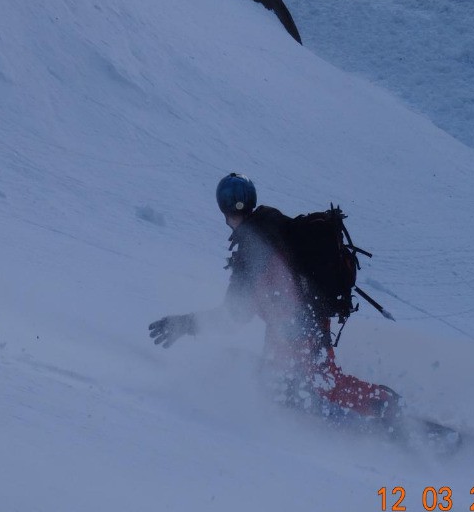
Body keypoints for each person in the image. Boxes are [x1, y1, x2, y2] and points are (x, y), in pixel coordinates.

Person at [148, 173, 403, 426]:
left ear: (224, 210)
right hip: (291, 323)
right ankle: (311, 409)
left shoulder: (251, 249)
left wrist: (184, 324)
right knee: (277, 381)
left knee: (326, 382)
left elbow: (234, 317)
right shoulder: (272, 221)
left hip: (300, 324)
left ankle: (385, 408)